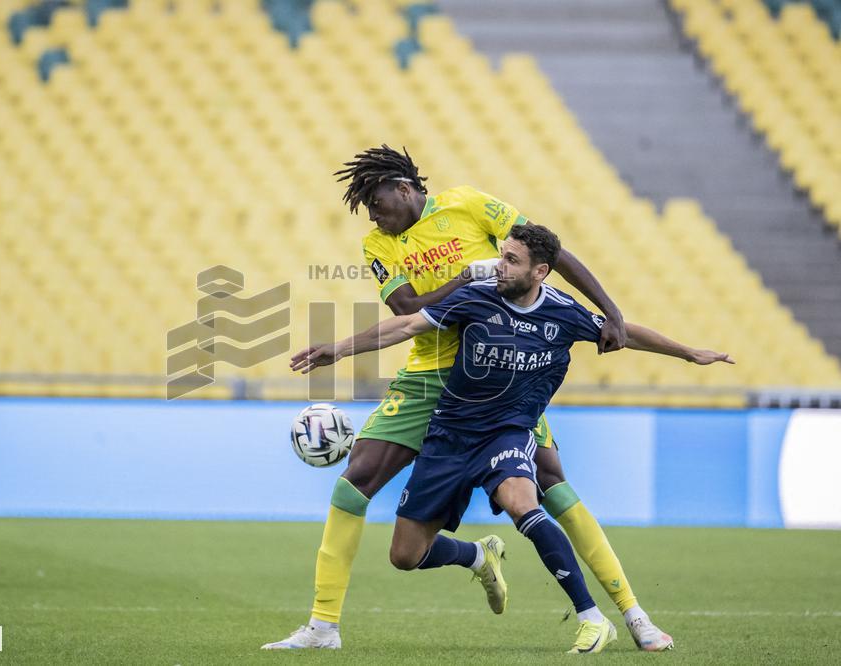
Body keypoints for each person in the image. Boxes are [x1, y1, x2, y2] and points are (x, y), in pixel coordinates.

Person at [263, 146, 669, 650]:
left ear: (405, 188)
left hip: (500, 378)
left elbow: (551, 253)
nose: (372, 213)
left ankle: (633, 615)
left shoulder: (469, 204)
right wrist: (462, 280)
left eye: (377, 200)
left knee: (554, 488)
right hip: (429, 371)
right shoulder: (377, 244)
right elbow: (407, 308)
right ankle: (326, 626)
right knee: (354, 485)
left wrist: (613, 313)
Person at [290, 223, 732, 653]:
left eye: (511, 260)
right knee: (405, 555)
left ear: (540, 271)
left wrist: (688, 353)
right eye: (502, 255)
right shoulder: (475, 298)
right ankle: (479, 556)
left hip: (508, 431)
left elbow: (625, 332)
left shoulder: (563, 312)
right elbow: (404, 326)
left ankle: (592, 619)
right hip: (449, 436)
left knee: (525, 502)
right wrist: (339, 348)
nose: (498, 266)